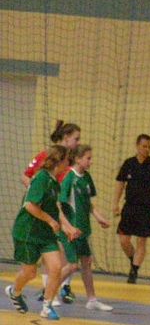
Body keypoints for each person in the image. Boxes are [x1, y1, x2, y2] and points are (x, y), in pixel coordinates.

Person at [5, 145, 81, 320]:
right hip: (28, 232)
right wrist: (50, 220)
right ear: (59, 161)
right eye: (67, 160)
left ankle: (47, 306)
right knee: (30, 272)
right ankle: (14, 291)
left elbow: (55, 208)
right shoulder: (41, 178)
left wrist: (68, 227)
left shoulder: (54, 182)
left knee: (56, 267)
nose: (69, 164)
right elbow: (30, 206)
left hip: (45, 234)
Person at [22, 120, 82, 304]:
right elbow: (25, 175)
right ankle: (46, 291)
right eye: (76, 139)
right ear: (66, 137)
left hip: (61, 210)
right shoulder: (46, 156)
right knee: (49, 253)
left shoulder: (71, 164)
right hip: (45, 210)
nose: (78, 142)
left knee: (64, 253)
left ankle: (60, 289)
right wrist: (37, 191)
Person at [57, 145, 114, 311]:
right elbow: (59, 204)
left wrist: (98, 217)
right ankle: (48, 292)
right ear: (77, 159)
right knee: (72, 265)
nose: (91, 161)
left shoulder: (86, 177)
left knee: (86, 263)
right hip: (71, 230)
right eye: (88, 158)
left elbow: (88, 203)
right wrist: (66, 227)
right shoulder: (69, 178)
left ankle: (92, 299)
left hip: (83, 229)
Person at [113, 134, 150, 284]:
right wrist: (115, 203)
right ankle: (133, 260)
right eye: (144, 146)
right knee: (124, 240)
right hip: (129, 206)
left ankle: (134, 271)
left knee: (141, 241)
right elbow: (120, 184)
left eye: (149, 147)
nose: (147, 149)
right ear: (137, 146)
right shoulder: (128, 163)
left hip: (146, 208)